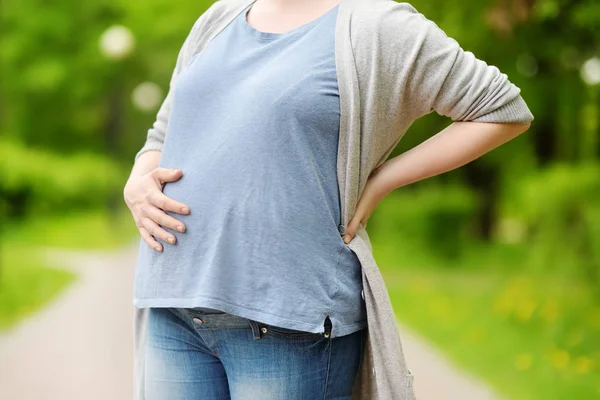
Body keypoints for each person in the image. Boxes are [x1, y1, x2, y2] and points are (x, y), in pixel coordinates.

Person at [123, 0, 534, 399]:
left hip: (287, 321)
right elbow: (164, 133)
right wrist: (137, 180)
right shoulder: (219, 17)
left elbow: (502, 109)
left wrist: (383, 180)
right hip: (174, 307)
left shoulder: (379, 25)